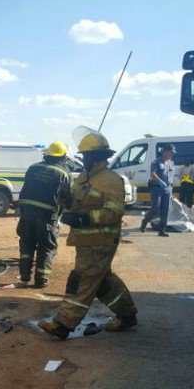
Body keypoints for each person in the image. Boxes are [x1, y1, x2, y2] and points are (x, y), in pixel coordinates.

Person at [38, 126, 138, 340]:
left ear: (96, 157)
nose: (83, 160)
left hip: (100, 240)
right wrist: (65, 198)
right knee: (102, 281)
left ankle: (63, 324)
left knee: (81, 279)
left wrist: (84, 218)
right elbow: (75, 204)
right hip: (86, 240)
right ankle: (128, 316)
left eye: (86, 156)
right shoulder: (85, 177)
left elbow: (114, 211)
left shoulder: (110, 179)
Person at [17, 141, 71, 288]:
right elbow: (65, 198)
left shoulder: (33, 168)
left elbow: (25, 191)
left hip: (27, 214)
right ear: (63, 156)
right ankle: (41, 280)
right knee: (46, 247)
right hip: (48, 217)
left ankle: (24, 275)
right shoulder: (63, 173)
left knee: (27, 243)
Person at [141, 143, 176, 237]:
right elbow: (152, 174)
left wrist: (170, 187)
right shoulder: (156, 162)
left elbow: (171, 176)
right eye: (171, 153)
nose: (172, 155)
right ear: (165, 152)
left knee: (166, 210)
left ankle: (161, 230)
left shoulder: (171, 163)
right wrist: (160, 182)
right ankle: (145, 221)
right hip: (157, 188)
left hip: (168, 189)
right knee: (155, 208)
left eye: (173, 153)